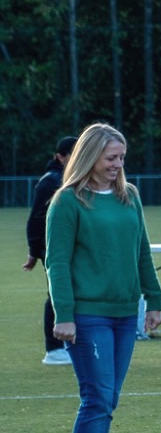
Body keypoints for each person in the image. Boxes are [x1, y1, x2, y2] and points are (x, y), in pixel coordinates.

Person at [43, 124, 161, 433]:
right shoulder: (68, 202)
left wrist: (154, 299)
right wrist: (64, 316)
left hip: (125, 314)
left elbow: (142, 250)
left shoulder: (130, 197)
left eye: (121, 158)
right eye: (111, 157)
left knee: (107, 398)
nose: (117, 164)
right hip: (87, 315)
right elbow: (57, 263)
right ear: (90, 156)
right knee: (96, 398)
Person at [27, 135, 77, 366]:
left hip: (72, 248)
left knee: (74, 293)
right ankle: (54, 349)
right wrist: (34, 250)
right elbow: (36, 219)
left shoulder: (72, 178)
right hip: (53, 249)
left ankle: (70, 343)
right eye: (72, 153)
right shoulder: (51, 181)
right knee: (56, 294)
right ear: (60, 156)